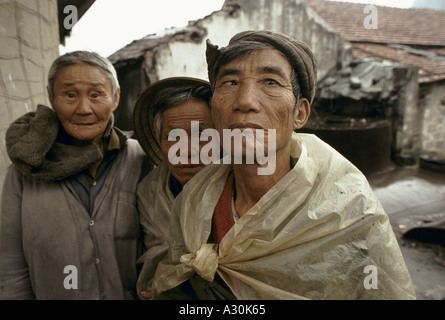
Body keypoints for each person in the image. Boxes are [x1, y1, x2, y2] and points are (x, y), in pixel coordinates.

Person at [150, 30, 416, 300]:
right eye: (230, 82)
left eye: (270, 81)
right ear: (214, 108)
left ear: (299, 113)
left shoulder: (349, 210)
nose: (244, 101)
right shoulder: (194, 202)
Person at [0, 51, 151, 299]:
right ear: (51, 98)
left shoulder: (140, 160)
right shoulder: (25, 173)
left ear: (115, 98)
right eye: (70, 95)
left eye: (96, 94)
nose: (83, 109)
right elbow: (11, 266)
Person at [132, 77, 214, 299]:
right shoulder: (150, 192)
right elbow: (156, 261)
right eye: (173, 136)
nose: (187, 150)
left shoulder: (245, 186)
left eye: (202, 135)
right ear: (160, 142)